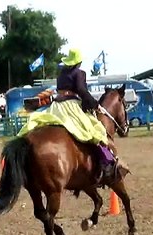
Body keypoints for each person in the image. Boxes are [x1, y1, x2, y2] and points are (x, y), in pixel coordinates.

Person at [18, 48, 128, 180]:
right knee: (95, 131)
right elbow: (82, 91)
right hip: (71, 106)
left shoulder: (62, 74)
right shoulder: (80, 73)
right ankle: (105, 166)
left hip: (57, 106)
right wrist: (95, 104)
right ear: (79, 62)